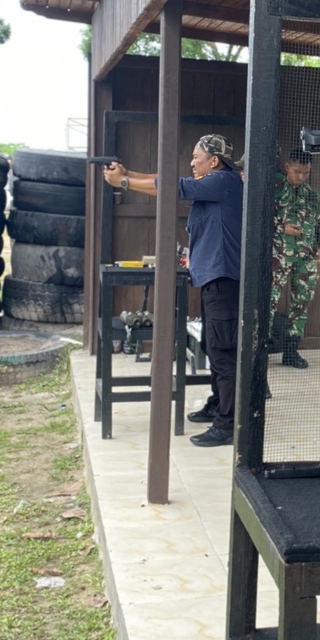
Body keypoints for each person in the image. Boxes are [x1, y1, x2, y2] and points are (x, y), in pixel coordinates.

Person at [103, 135, 243, 447]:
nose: (192, 162)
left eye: (197, 157)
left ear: (214, 161)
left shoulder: (221, 180)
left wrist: (124, 183)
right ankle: (218, 405)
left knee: (222, 354)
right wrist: (129, 174)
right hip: (214, 280)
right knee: (212, 346)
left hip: (223, 280)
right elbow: (170, 181)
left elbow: (171, 188)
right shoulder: (218, 183)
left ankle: (227, 423)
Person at [270, 148, 320, 369]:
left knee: (301, 303)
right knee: (269, 302)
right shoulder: (273, 188)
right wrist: (281, 227)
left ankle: (291, 352)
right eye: (297, 172)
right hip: (277, 255)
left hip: (306, 257)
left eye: (305, 172)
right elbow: (258, 215)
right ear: (286, 167)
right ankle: (260, 352)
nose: (301, 177)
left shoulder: (312, 195)